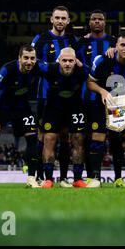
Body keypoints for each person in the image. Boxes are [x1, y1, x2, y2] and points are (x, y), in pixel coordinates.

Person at [86, 31, 125, 188]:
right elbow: (90, 83)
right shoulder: (103, 60)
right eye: (123, 45)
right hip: (104, 104)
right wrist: (103, 91)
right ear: (116, 46)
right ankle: (95, 179)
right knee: (98, 138)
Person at [75, 10, 125, 187]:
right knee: (91, 138)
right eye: (94, 19)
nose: (97, 22)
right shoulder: (80, 43)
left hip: (116, 97)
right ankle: (92, 177)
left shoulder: (113, 42)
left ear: (105, 22)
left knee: (117, 138)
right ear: (89, 22)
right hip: (90, 96)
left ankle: (119, 178)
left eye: (100, 19)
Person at [0, 45, 41, 188]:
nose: (29, 61)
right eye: (26, 58)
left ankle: (31, 179)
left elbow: (55, 68)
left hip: (21, 107)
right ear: (19, 58)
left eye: (32, 58)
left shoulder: (38, 68)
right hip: (2, 107)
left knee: (33, 137)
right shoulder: (7, 69)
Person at [31, 5, 77, 187]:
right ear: (51, 19)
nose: (60, 21)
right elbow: (33, 61)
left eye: (63, 18)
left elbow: (80, 61)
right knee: (43, 136)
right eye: (57, 17)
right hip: (45, 96)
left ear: (68, 21)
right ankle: (40, 176)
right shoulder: (41, 39)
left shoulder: (72, 39)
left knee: (66, 137)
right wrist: (53, 66)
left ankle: (64, 177)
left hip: (68, 97)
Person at [38, 48, 89, 188]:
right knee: (49, 139)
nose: (67, 63)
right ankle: (48, 179)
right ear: (59, 60)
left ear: (75, 61)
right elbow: (33, 65)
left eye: (71, 61)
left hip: (75, 107)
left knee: (78, 138)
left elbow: (97, 75)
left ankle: (78, 179)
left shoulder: (83, 70)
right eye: (64, 60)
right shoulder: (49, 69)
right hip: (53, 107)